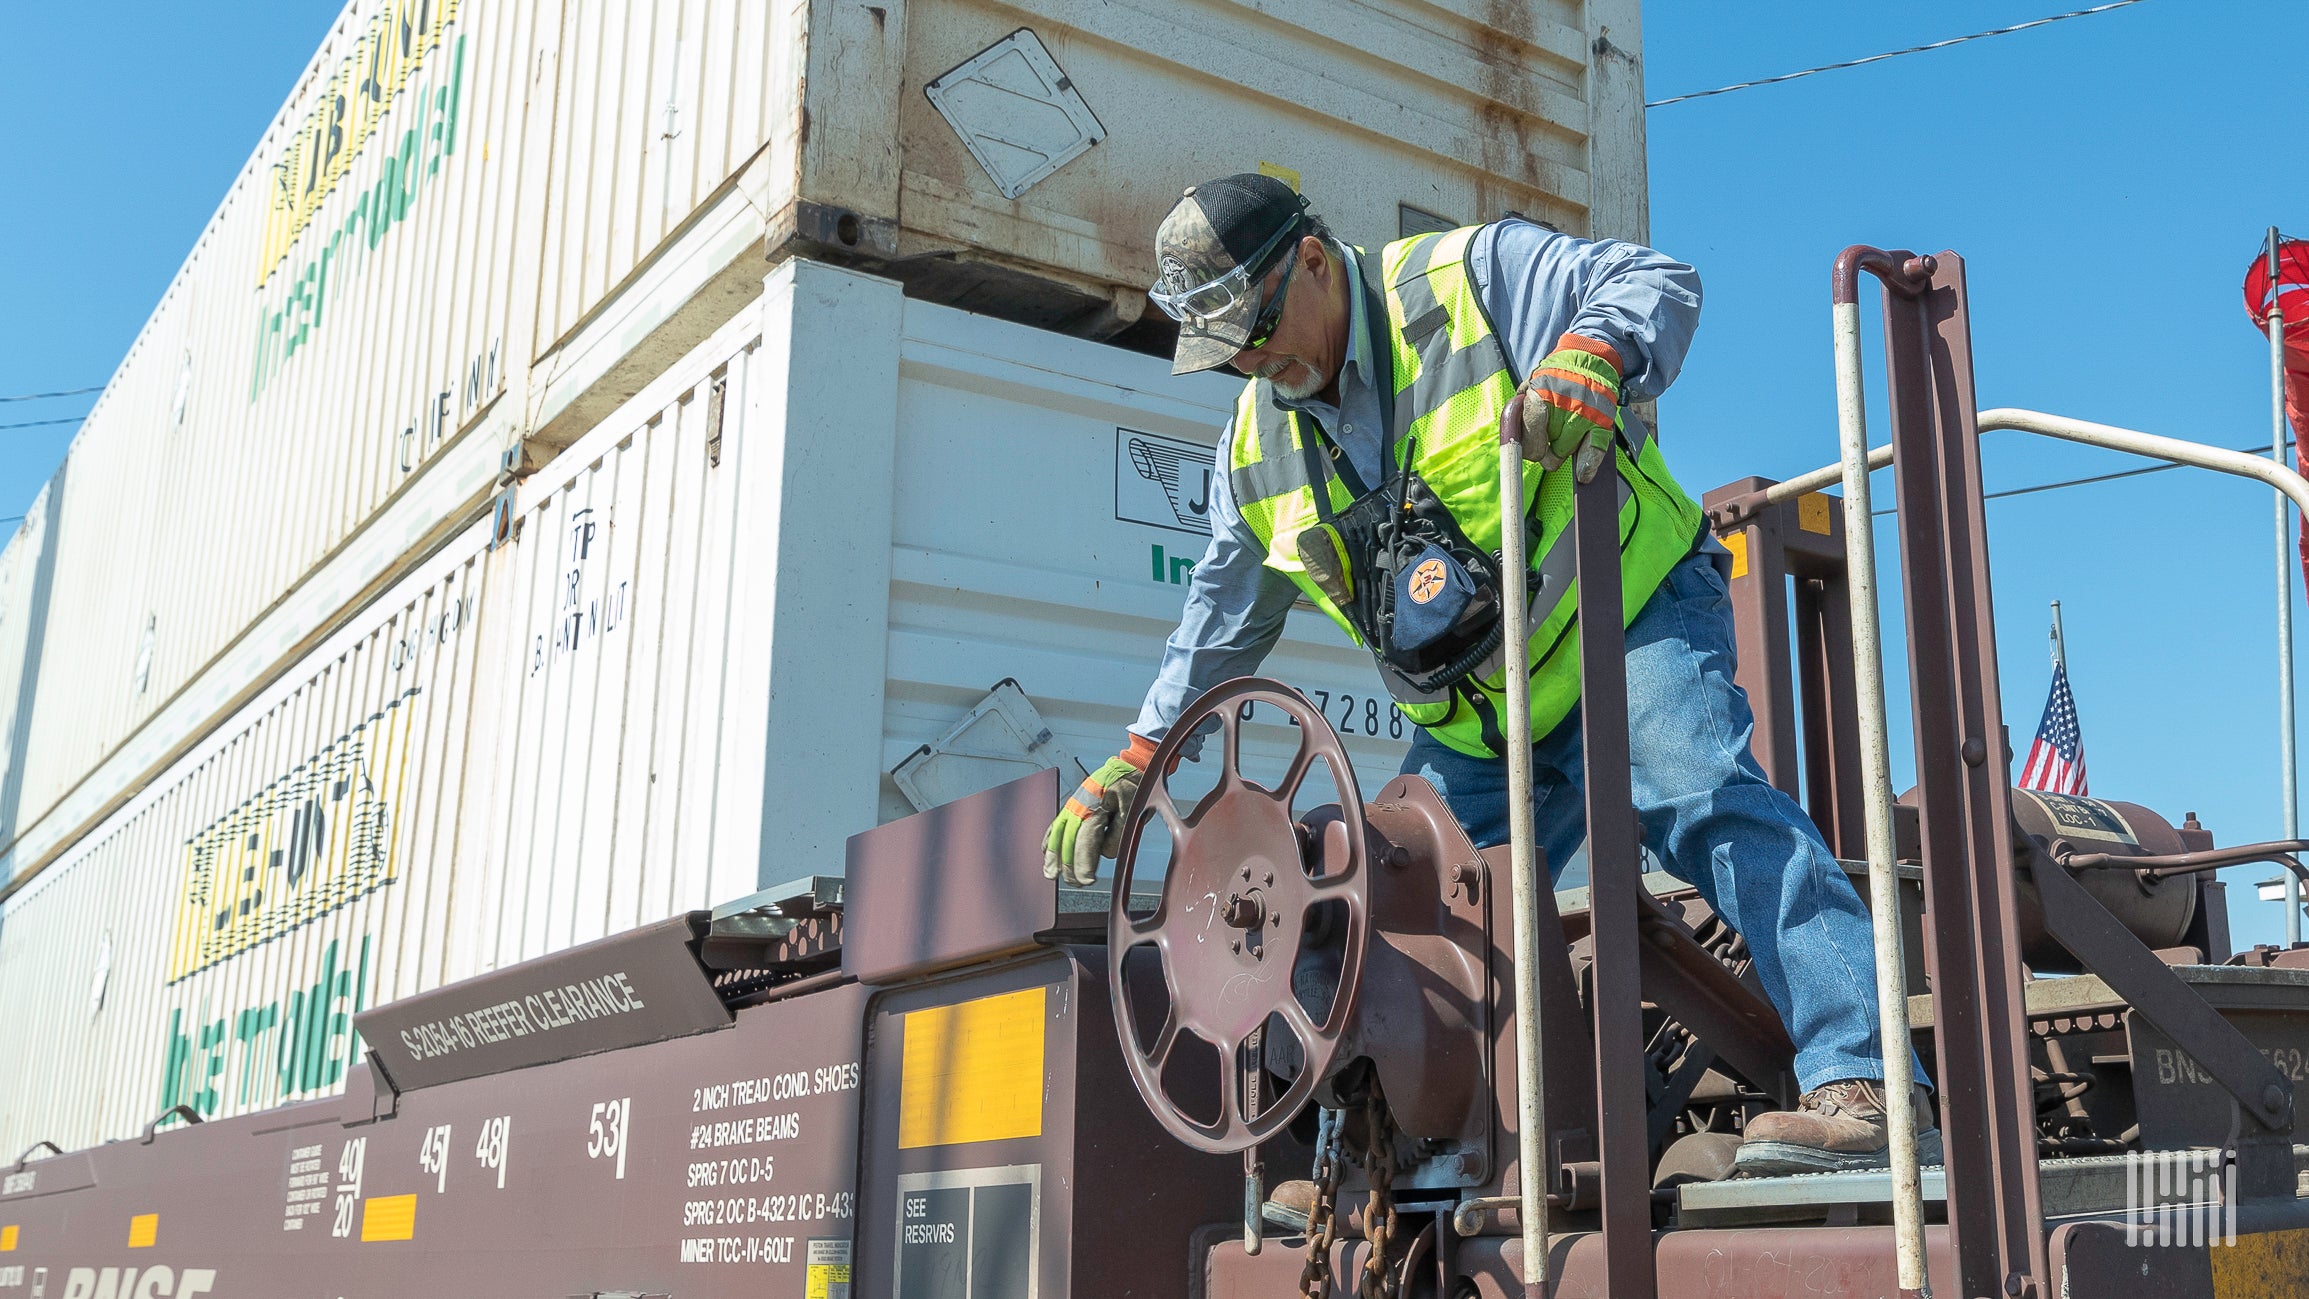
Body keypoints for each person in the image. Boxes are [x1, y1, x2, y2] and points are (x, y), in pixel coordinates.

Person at [1045, 173, 1938, 1177]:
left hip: (1621, 618)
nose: (1253, 364)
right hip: (1480, 719)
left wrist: (1593, 351)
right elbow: (1217, 625)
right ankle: (1405, 1157)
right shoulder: (1252, 453)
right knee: (1387, 889)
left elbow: (1654, 279)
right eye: (1229, 354)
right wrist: (1134, 758)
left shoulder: (1465, 280)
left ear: (1306, 259)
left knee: (1695, 791)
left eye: (1255, 331)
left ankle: (1867, 1085)